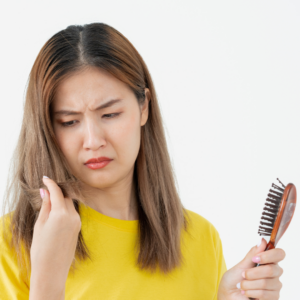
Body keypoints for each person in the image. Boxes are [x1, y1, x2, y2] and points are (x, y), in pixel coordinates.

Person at [0, 23, 285, 300]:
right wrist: (47, 279)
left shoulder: (201, 238)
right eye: (69, 121)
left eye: (110, 114)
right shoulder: (10, 244)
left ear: (143, 107)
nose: (93, 140)